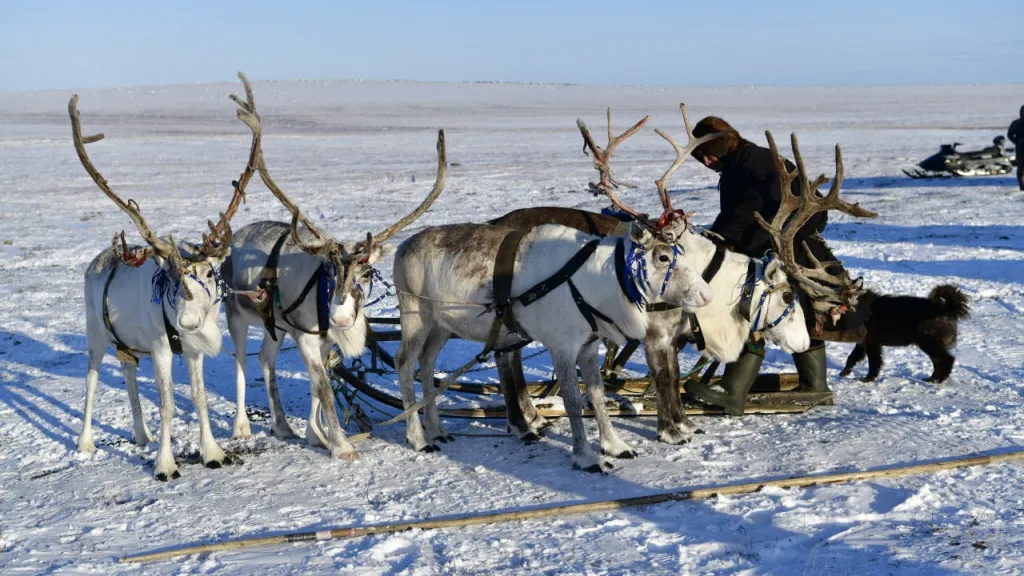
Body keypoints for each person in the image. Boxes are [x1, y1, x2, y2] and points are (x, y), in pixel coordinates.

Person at [684, 116, 868, 415]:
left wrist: (720, 240)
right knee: (796, 314)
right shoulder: (745, 161)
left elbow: (746, 213)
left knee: (751, 313)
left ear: (721, 144)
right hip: (785, 251)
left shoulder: (750, 163)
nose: (705, 161)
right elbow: (752, 209)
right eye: (700, 157)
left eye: (708, 153)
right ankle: (815, 385)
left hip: (783, 254)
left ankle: (733, 391)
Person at [1008, 105, 1024, 191]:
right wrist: (1018, 142)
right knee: (1021, 169)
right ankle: (1022, 187)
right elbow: (1010, 135)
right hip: (1021, 149)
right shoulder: (1016, 123)